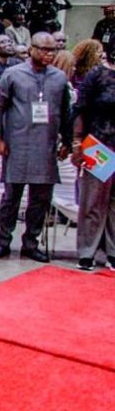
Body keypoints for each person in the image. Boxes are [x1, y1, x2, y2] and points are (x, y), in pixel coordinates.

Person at [0, 32, 72, 262]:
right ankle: (3, 241)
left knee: (41, 199)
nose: (49, 54)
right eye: (44, 49)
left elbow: (66, 113)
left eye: (53, 50)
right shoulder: (13, 74)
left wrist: (67, 140)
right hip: (17, 144)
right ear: (32, 49)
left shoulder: (59, 78)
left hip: (46, 145)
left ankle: (31, 243)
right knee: (11, 197)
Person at [71, 47, 115, 271]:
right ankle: (87, 251)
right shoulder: (96, 75)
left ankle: (112, 252)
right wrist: (77, 141)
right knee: (93, 200)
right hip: (99, 143)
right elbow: (80, 109)